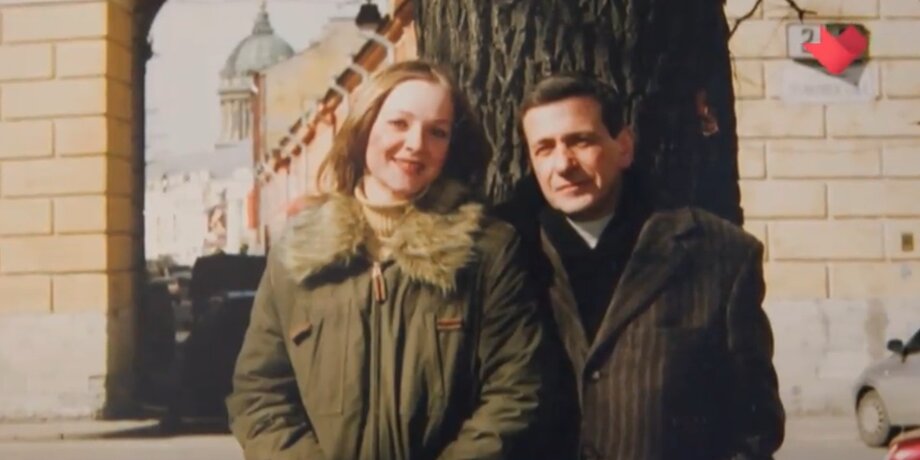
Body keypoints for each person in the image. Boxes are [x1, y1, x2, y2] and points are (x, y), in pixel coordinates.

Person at [226, 60, 552, 460]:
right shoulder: (299, 254)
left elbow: (514, 389)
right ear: (365, 127)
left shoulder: (487, 249)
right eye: (399, 123)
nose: (416, 143)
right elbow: (259, 395)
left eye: (437, 132)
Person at [498, 74, 785, 460]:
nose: (563, 164)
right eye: (544, 148)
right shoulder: (506, 254)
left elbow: (754, 424)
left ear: (624, 147)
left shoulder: (717, 254)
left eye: (580, 141)